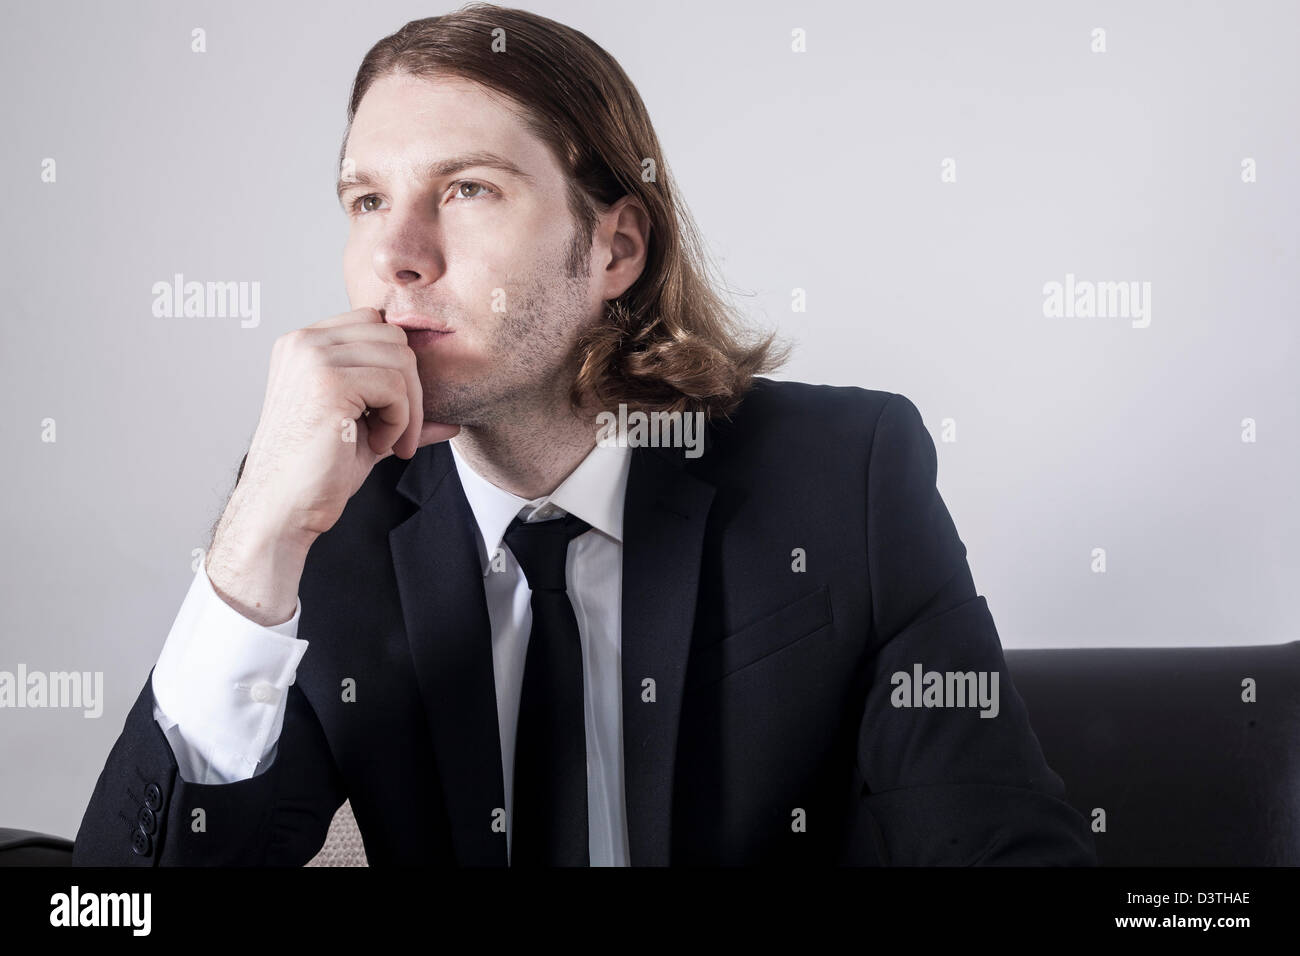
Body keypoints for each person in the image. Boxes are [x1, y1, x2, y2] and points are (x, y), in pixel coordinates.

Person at [72, 3, 1096, 867]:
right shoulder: (327, 520)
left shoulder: (844, 473)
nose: (397, 253)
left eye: (465, 189)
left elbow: (1000, 845)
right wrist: (256, 537)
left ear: (612, 246)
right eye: (367, 199)